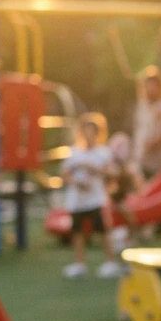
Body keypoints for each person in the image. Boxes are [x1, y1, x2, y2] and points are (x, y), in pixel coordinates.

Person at [61, 113, 121, 279]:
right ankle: (80, 264)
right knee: (77, 232)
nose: (88, 135)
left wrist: (92, 168)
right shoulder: (73, 152)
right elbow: (65, 173)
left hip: (96, 198)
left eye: (91, 131)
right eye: (85, 131)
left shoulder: (103, 152)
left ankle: (110, 262)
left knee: (103, 231)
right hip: (77, 200)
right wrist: (76, 183)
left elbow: (111, 174)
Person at [132, 66, 161, 180]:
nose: (151, 89)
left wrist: (153, 144)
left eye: (154, 85)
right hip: (141, 156)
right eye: (148, 85)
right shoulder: (142, 106)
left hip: (156, 159)